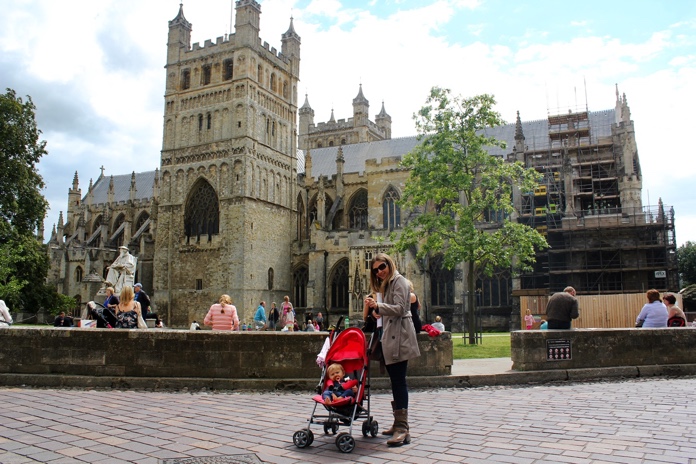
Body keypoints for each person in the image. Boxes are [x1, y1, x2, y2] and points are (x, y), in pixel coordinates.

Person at [365, 252, 420, 447]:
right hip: (389, 336)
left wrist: (378, 305)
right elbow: (387, 310)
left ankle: (403, 429)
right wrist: (374, 310)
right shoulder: (386, 284)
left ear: (390, 264)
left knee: (399, 381)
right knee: (395, 381)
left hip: (400, 337)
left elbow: (401, 308)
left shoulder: (400, 281)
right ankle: (398, 423)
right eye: (376, 270)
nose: (379, 272)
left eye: (382, 267)